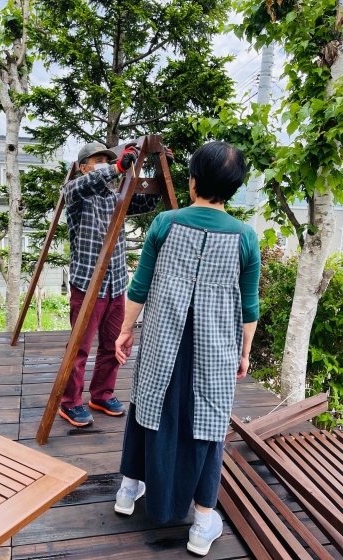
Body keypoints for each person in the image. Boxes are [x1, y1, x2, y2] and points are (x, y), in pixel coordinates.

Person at [114, 141, 260, 556]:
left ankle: (128, 489)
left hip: (162, 344)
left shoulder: (166, 223)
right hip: (214, 352)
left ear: (193, 180)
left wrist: (125, 330)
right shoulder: (246, 237)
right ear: (233, 188)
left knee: (148, 406)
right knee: (208, 425)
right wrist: (245, 351)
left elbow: (139, 286)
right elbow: (249, 306)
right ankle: (201, 523)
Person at [59, 141, 173, 427]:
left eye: (107, 160)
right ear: (84, 168)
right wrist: (117, 167)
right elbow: (80, 187)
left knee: (112, 344)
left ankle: (101, 394)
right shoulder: (75, 193)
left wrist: (160, 171)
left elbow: (147, 201)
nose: (104, 165)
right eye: (98, 161)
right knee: (79, 348)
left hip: (115, 283)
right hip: (88, 284)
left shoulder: (115, 197)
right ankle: (69, 402)